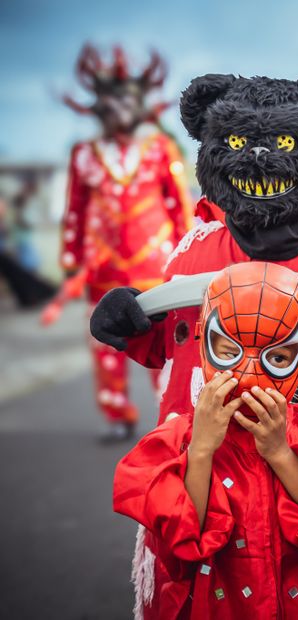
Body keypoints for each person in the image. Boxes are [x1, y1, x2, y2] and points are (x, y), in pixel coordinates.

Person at [89, 74, 298, 441]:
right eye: (237, 141)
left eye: (285, 142)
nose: (259, 155)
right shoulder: (195, 251)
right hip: (204, 471)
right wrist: (128, 322)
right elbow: (170, 348)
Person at [113, 262, 298, 619]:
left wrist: (280, 453)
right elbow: (184, 542)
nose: (250, 375)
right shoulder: (176, 440)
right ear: (202, 341)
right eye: (229, 351)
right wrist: (202, 450)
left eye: (278, 357)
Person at [61, 44, 194, 441]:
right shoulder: (84, 154)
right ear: (96, 105)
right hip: (102, 264)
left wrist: (189, 254)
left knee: (165, 339)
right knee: (104, 341)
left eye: (125, 99)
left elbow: (179, 205)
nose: (117, 107)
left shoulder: (159, 148)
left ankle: (168, 413)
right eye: (109, 99)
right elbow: (76, 208)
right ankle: (117, 414)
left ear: (140, 105)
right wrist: (71, 257)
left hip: (158, 263)